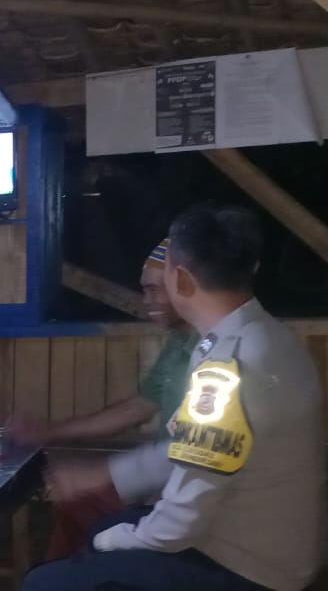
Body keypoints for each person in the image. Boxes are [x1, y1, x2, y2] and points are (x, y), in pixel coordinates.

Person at [20, 204, 328, 591]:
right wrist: (105, 482)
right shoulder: (267, 338)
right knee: (101, 533)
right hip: (273, 550)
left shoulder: (224, 369)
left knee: (46, 589)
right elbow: (198, 451)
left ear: (181, 278)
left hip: (255, 576)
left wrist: (118, 534)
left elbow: (177, 524)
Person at [11, 240, 198, 560]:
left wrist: (98, 475)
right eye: (144, 290)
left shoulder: (217, 352)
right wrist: (50, 431)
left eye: (155, 290)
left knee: (84, 503)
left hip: (187, 494)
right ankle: (64, 579)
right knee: (76, 505)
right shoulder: (179, 342)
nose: (147, 301)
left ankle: (71, 579)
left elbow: (196, 453)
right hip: (166, 481)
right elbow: (139, 407)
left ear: (184, 285)